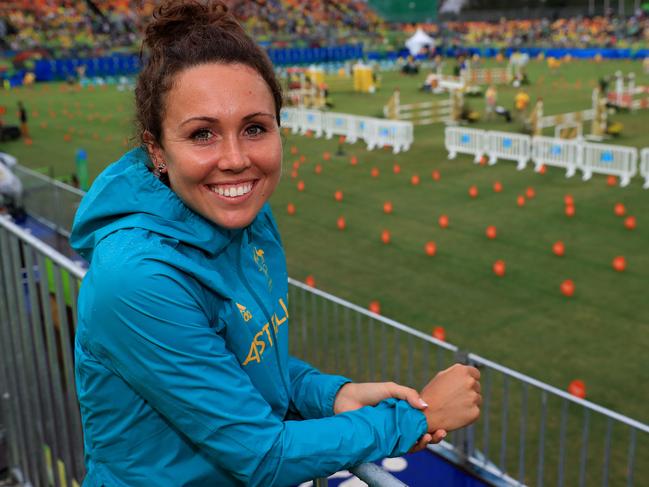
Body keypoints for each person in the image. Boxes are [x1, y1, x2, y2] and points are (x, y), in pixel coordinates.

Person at [70, 2, 482, 486]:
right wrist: (417, 418)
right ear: (156, 150)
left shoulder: (247, 218)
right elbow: (263, 455)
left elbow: (239, 359)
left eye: (255, 128)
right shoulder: (136, 276)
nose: (236, 158)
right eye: (203, 134)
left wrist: (329, 396)